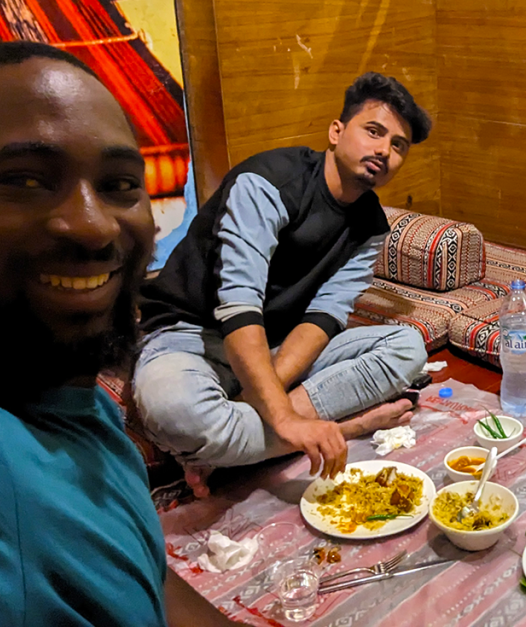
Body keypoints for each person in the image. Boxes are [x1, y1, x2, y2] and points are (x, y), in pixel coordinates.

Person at [0, 41, 234, 625]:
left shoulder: (80, 401)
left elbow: (149, 574)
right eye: (24, 179)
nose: (92, 226)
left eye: (119, 184)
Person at [134, 72, 431, 498]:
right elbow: (239, 307)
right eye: (374, 131)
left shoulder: (371, 226)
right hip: (191, 336)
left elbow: (323, 318)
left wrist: (264, 398)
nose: (384, 150)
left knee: (407, 348)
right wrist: (287, 418)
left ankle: (229, 445)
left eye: (398, 145)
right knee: (175, 411)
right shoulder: (268, 183)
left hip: (275, 344)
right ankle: (344, 429)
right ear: (336, 130)